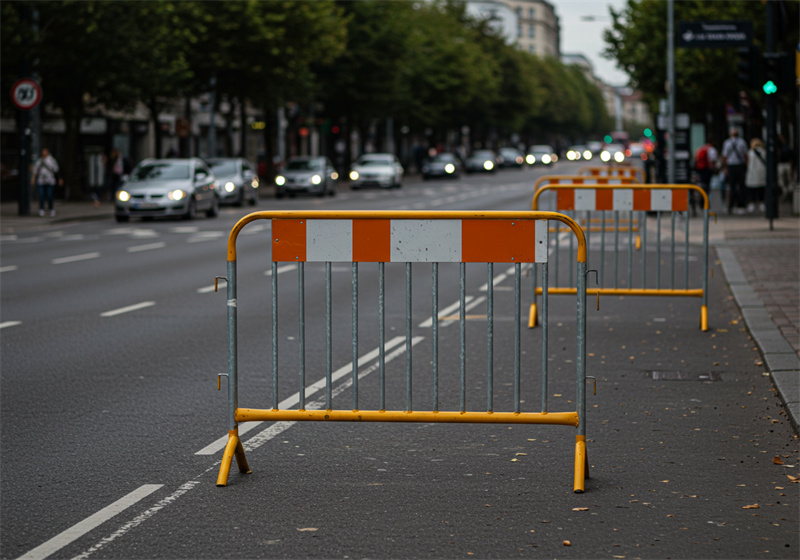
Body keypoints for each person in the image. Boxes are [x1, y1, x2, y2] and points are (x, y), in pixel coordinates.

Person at [721, 127, 749, 214]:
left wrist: (724, 168)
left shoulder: (727, 143)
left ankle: (731, 205)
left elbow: (724, 157)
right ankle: (741, 205)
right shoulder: (742, 142)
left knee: (731, 186)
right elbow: (745, 155)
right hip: (740, 165)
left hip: (731, 166)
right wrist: (746, 166)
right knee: (741, 186)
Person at [30, 147, 61, 217]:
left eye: (45, 151)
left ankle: (51, 209)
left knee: (49, 195)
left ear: (48, 152)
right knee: (41, 195)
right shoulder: (40, 160)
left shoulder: (52, 160)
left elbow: (56, 170)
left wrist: (59, 179)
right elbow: (35, 170)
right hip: (41, 181)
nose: (43, 153)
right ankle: (41, 209)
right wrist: (33, 178)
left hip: (50, 181)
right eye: (43, 151)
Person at [692, 136, 717, 215]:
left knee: (701, 186)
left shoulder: (700, 149)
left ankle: (701, 203)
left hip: (700, 171)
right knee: (707, 187)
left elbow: (695, 159)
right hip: (707, 170)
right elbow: (713, 162)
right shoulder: (712, 150)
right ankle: (706, 204)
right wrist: (715, 170)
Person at [744, 138, 767, 213]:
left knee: (752, 189)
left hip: (752, 172)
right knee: (761, 188)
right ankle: (761, 203)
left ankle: (752, 203)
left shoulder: (750, 152)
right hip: (761, 171)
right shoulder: (764, 151)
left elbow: (747, 162)